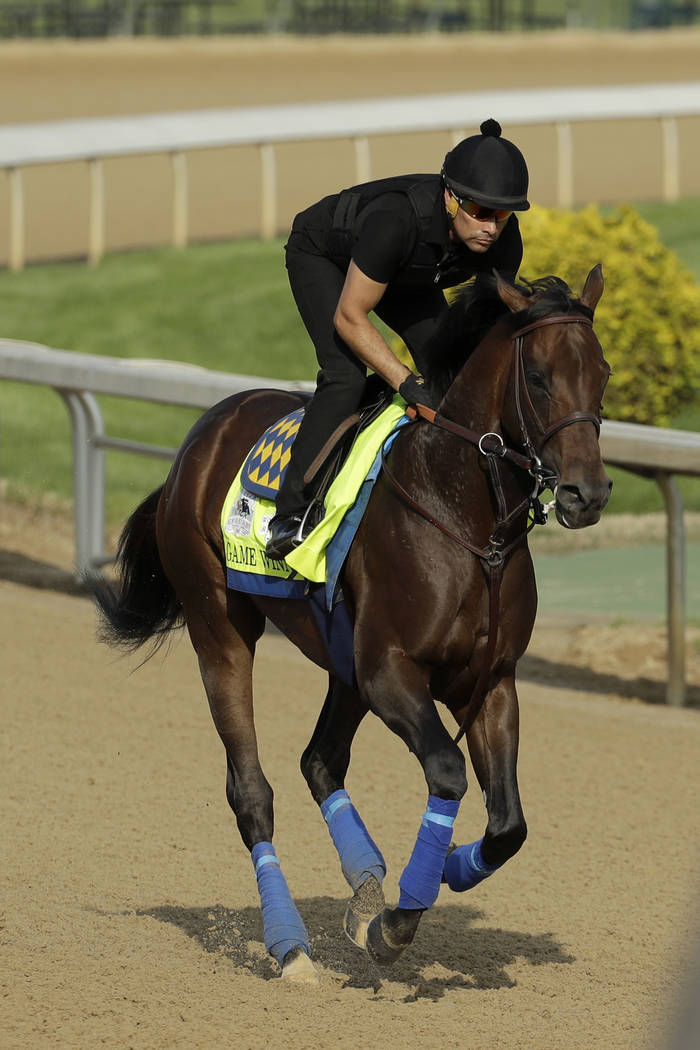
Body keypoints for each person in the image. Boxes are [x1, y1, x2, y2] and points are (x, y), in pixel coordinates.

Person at [265, 118, 530, 559]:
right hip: (327, 257)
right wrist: (406, 383)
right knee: (346, 376)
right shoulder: (395, 220)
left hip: (412, 275)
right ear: (450, 198)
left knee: (458, 374)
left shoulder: (504, 242)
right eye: (481, 212)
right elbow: (351, 317)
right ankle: (291, 511)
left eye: (503, 215)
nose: (492, 227)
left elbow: (483, 337)